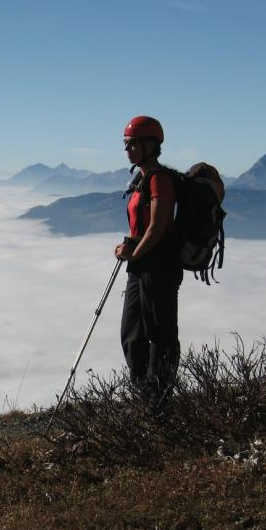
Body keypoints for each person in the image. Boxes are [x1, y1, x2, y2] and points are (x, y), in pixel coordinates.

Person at [114, 116, 183, 401]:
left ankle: (159, 399)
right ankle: (145, 393)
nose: (127, 149)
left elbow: (156, 227)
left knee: (160, 333)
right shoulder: (141, 179)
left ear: (150, 145)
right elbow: (143, 227)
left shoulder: (159, 180)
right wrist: (130, 248)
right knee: (132, 333)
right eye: (126, 143)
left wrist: (135, 253)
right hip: (140, 265)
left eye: (132, 143)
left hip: (159, 266)